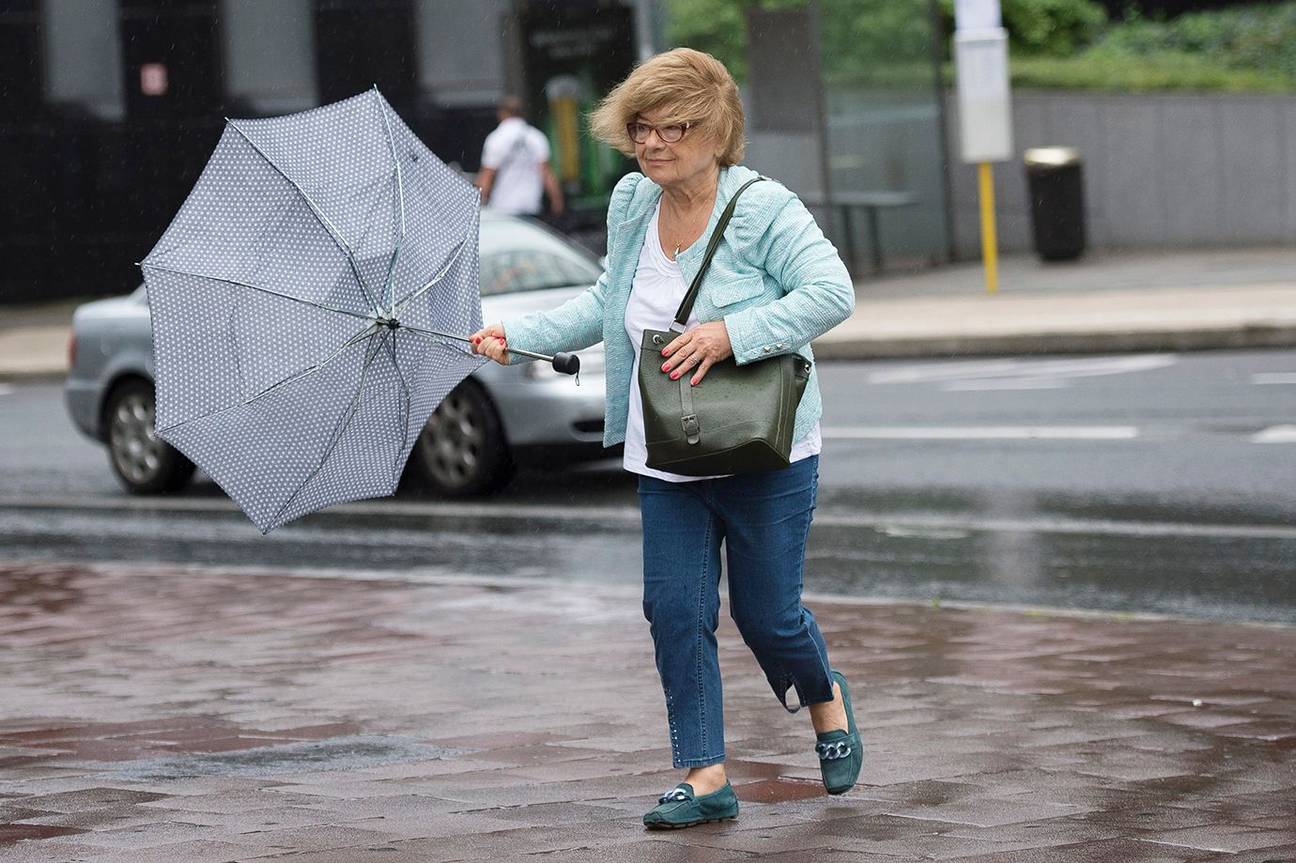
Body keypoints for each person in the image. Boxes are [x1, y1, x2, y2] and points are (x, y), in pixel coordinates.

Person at [469, 48, 860, 829]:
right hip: (666, 452)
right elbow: (606, 302)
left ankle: (824, 696)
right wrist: (517, 333)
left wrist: (730, 333)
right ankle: (705, 773)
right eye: (642, 127)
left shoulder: (764, 209)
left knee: (768, 616)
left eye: (673, 127)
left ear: (716, 132)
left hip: (764, 449)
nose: (653, 144)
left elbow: (832, 293)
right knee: (674, 610)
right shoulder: (630, 203)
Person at [476, 95, 565, 220]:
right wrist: (557, 200)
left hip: (503, 207)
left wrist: (476, 205)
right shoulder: (536, 137)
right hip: (531, 205)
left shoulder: (496, 138)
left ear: (502, 113)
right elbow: (546, 173)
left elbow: (487, 175)